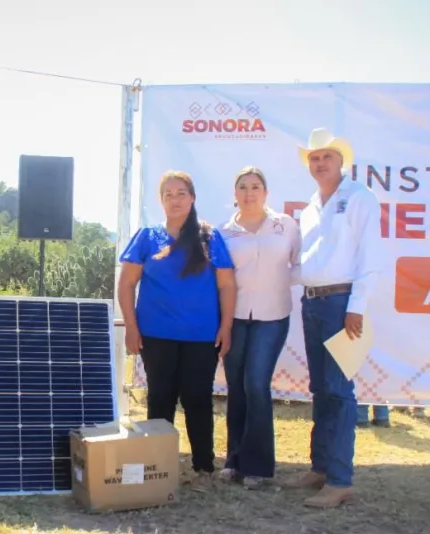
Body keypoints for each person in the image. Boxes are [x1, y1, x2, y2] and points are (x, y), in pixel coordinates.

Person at [118, 170, 237, 492]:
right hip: (156, 335)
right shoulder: (146, 236)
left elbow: (226, 285)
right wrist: (130, 326)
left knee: (197, 399)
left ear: (193, 197)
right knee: (160, 399)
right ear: (161, 200)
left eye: (181, 193)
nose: (175, 199)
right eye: (168, 194)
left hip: (202, 335)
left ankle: (203, 468)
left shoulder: (209, 238)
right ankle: (159, 466)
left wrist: (226, 327)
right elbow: (127, 283)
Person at [284, 128, 381, 508]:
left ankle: (340, 480)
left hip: (342, 304)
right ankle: (321, 467)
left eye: (326, 157)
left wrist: (357, 305)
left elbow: (370, 256)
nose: (320, 163)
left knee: (339, 391)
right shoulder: (310, 207)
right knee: (321, 389)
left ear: (342, 161)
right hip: (313, 302)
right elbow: (307, 262)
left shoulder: (359, 197)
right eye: (314, 158)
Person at [218, 167, 300, 489]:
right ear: (234, 194)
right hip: (233, 317)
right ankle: (233, 459)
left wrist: (279, 283)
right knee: (235, 386)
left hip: (273, 316)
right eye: (243, 187)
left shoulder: (286, 226)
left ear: (266, 193)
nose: (249, 193)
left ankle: (259, 466)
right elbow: (219, 277)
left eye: (255, 187)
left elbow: (300, 264)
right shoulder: (223, 232)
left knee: (255, 384)